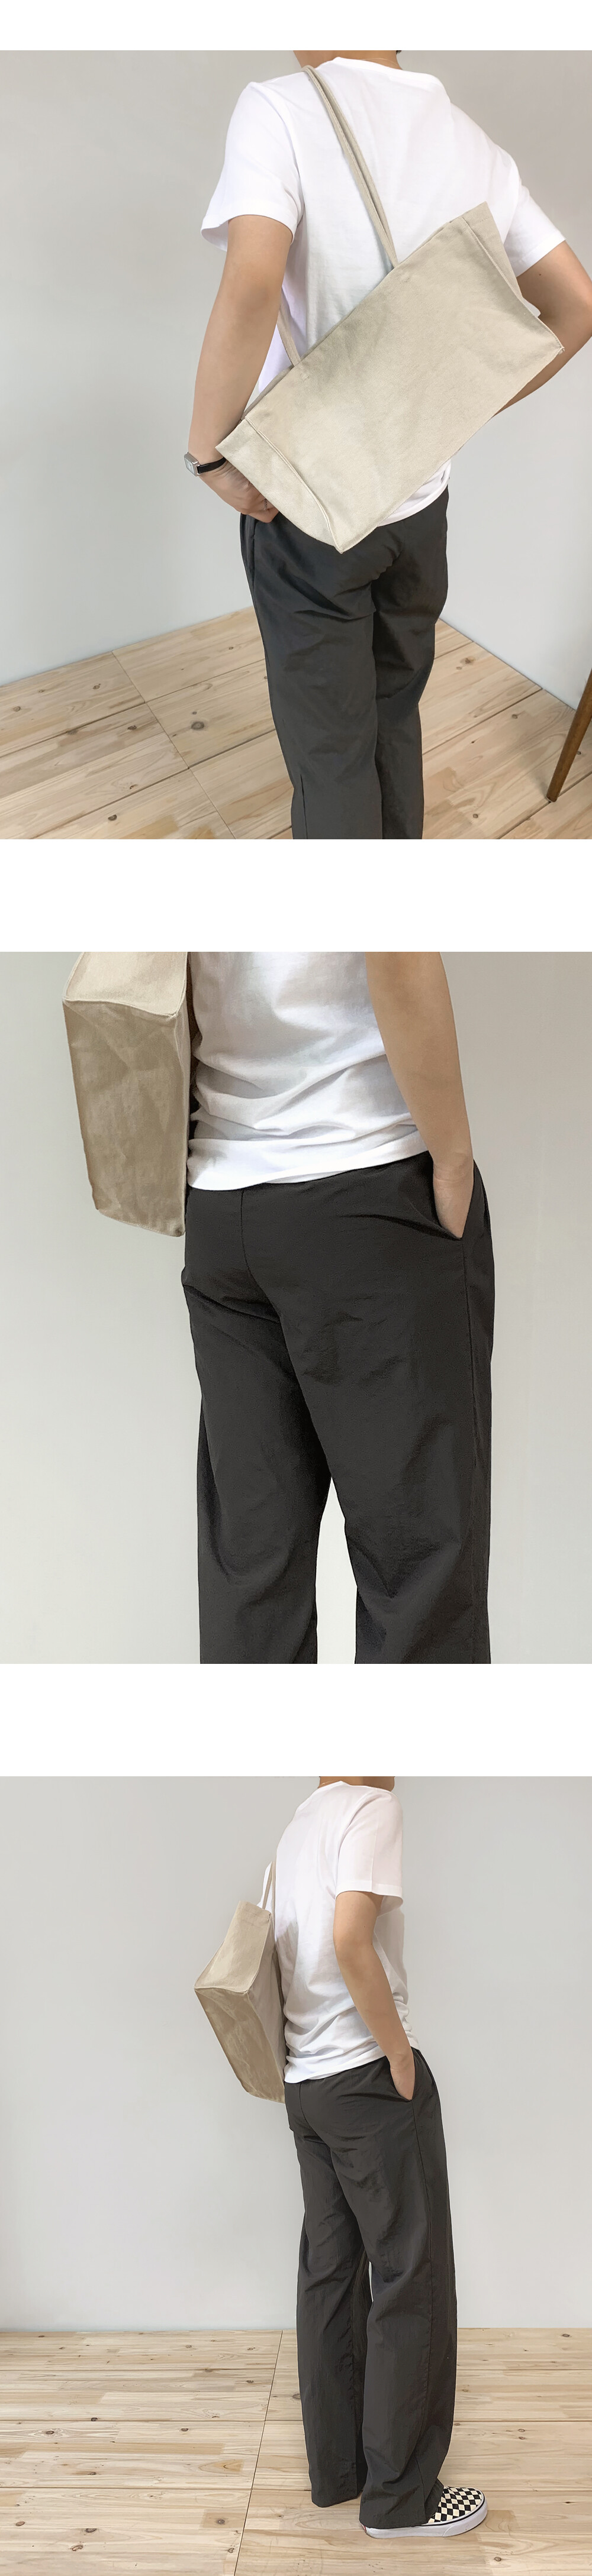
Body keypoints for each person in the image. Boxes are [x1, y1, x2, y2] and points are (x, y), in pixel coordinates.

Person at [187, 50, 592, 841]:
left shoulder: (281, 107)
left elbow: (254, 281)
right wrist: (448, 414)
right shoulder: (475, 146)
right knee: (393, 714)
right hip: (421, 510)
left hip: (307, 504)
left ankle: (352, 910)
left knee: (332, 752)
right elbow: (576, 306)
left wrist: (209, 454)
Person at [182, 951, 495, 1663]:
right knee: (418, 1562)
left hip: (223, 1193)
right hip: (364, 1179)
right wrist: (452, 1159)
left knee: (254, 1561)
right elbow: (397, 953)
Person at [261, 1773, 487, 2537]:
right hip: (364, 2079)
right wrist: (397, 2054)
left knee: (330, 2274)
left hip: (307, 2083)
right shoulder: (372, 1806)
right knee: (409, 2275)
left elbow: (281, 1954)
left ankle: (341, 2471)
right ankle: (401, 2498)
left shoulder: (298, 1824)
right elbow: (350, 1936)